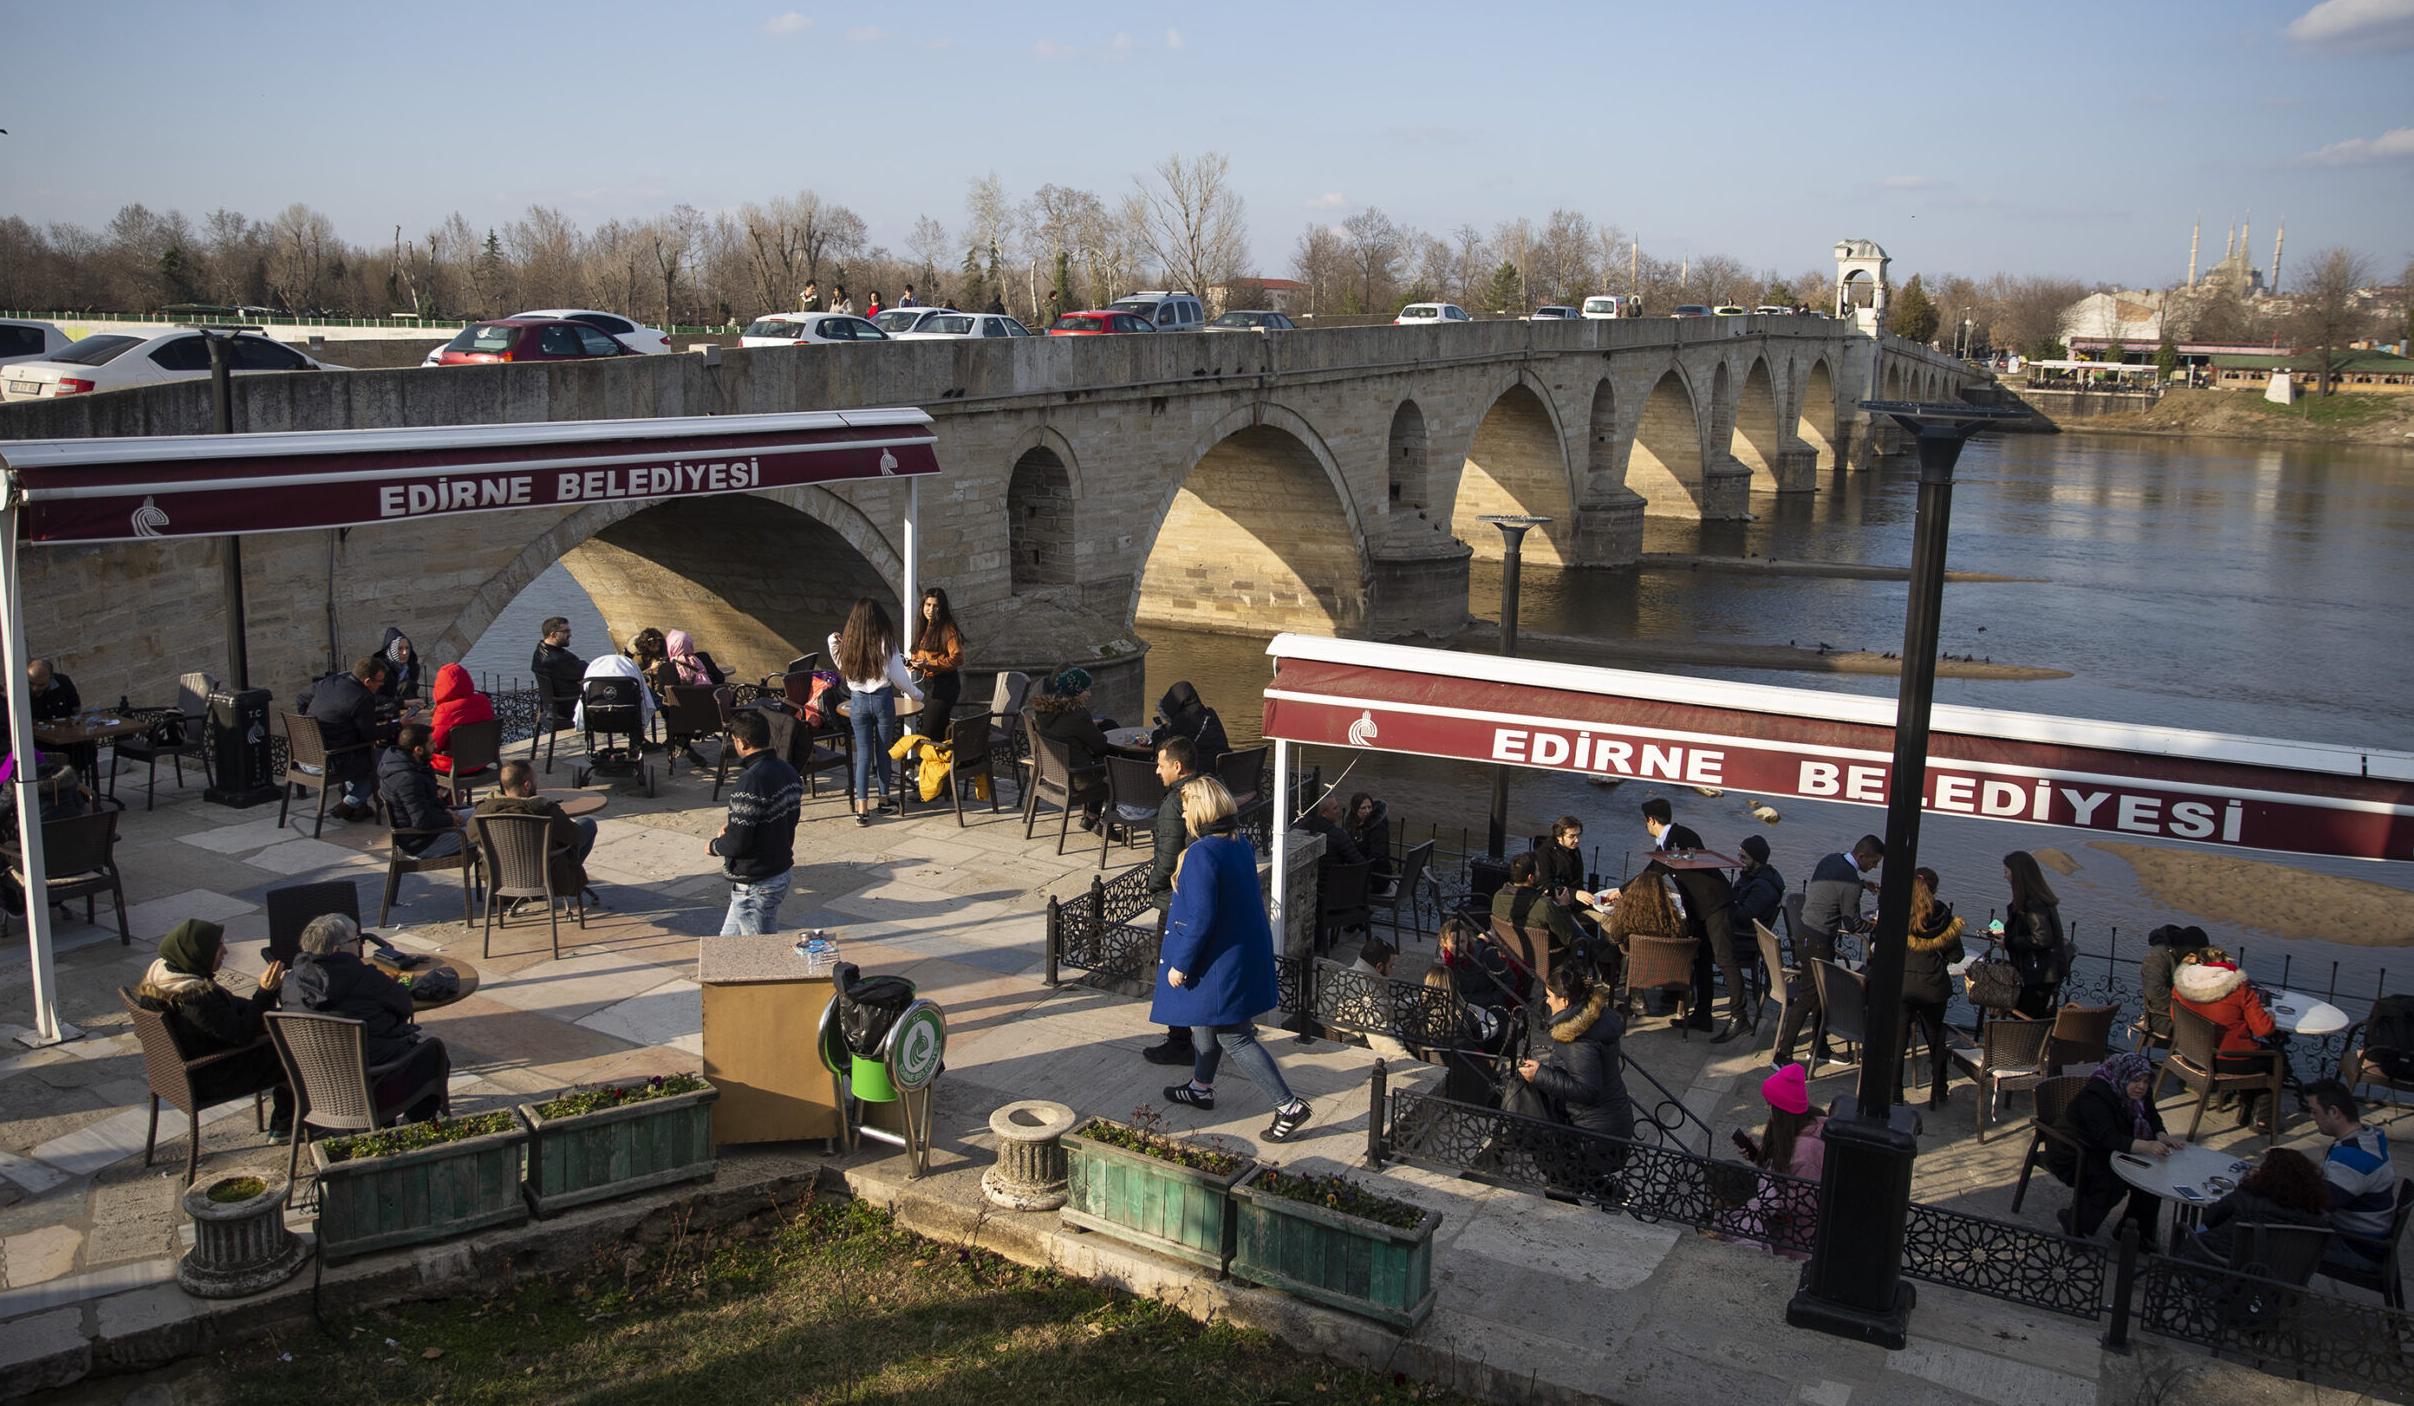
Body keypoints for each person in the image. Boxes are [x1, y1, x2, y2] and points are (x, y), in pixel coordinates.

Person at [1152, 776, 1314, 1142]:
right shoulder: (1237, 844)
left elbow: (1201, 918)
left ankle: (1287, 1105)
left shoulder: (1201, 853)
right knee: (1202, 1023)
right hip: (1234, 955)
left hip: (1214, 963)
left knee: (1235, 1038)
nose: (1185, 813)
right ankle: (1200, 1087)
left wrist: (1180, 965)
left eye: (1188, 806)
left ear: (1202, 809)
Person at [132, 918, 292, 1138]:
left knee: (276, 1032)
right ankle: (286, 1125)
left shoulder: (164, 977)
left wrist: (261, 1006)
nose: (225, 951)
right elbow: (242, 1034)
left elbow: (227, 1011)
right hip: (211, 1077)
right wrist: (265, 993)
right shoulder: (193, 997)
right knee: (293, 1051)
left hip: (178, 1072)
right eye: (218, 947)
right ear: (197, 953)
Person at [290, 913, 450, 1124]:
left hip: (318, 1088)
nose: (359, 946)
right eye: (356, 940)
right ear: (337, 950)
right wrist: (390, 985)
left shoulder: (290, 982)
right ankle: (413, 1125)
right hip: (373, 1088)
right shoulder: (364, 978)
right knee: (432, 1053)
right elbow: (404, 1006)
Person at [1617, 798, 1746, 1043]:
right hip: (1700, 909)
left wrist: (1621, 892)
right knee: (1703, 960)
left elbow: (1653, 870)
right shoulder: (1670, 842)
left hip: (1716, 906)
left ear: (1650, 820)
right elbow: (1653, 870)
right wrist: (1622, 891)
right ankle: (1703, 1015)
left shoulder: (1678, 838)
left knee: (1725, 960)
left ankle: (1739, 1016)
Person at [2045, 1051, 2183, 1244]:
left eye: (2145, 1081)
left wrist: (2162, 1135)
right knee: (2111, 1181)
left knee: (2151, 1176)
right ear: (2123, 1077)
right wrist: (2148, 1145)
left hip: (2108, 1147)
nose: (2141, 1086)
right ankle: (2076, 1222)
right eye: (2136, 1081)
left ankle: (2135, 1232)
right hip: (2074, 1151)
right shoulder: (2096, 1096)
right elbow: (2107, 1137)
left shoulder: (2141, 1092)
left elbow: (2151, 1116)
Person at [1773, 834, 1883, 1067]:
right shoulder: (1851, 882)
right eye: (1873, 862)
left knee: (1822, 995)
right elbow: (1852, 924)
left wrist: (1862, 884)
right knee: (1809, 996)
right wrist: (1875, 924)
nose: (1873, 868)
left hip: (1805, 934)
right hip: (1819, 942)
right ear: (1862, 855)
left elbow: (1836, 884)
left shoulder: (1831, 859)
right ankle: (1782, 1055)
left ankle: (1820, 1047)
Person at [1514, 964, 1635, 1144]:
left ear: (1564, 1001)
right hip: (1613, 1123)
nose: (1546, 1001)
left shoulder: (1577, 1038)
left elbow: (1587, 1091)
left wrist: (1540, 1075)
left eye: (1549, 996)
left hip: (1593, 1134)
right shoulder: (1596, 1018)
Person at [1140, 736, 1205, 1069]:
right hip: (1203, 892)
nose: (1157, 770)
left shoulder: (1174, 803)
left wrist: (1153, 885)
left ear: (1177, 766)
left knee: (1172, 969)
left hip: (1176, 898)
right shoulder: (1209, 790)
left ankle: (1179, 1041)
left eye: (1161, 764)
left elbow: (1168, 855)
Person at [829, 598, 923, 824]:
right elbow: (900, 677)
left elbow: (835, 651)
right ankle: (883, 800)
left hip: (858, 702)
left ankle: (861, 808)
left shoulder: (845, 645)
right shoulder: (886, 641)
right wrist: (916, 695)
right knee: (883, 750)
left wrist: (834, 639)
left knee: (862, 754)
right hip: (882, 700)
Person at [708, 709, 801, 935]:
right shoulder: (788, 771)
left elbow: (738, 843)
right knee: (726, 948)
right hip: (777, 870)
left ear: (742, 742)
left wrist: (715, 845)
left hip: (757, 883)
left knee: (761, 956)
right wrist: (740, 825)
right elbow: (785, 820)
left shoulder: (750, 782)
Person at [2172, 947, 2285, 1133]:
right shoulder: (2239, 990)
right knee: (2277, 1058)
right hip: (2228, 1059)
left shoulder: (2181, 986)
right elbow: (2263, 1029)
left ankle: (2247, 1109)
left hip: (2191, 1053)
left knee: (2262, 1059)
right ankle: (2263, 1118)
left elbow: (2176, 1018)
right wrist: (2270, 1016)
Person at [1727, 1063, 1827, 1257]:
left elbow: (1802, 1203)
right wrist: (1759, 1156)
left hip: (1796, 1240)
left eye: (1770, 1104)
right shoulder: (1806, 1127)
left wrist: (1759, 1200)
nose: (1768, 1108)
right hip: (1788, 1230)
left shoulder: (1806, 1153)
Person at [472, 760, 597, 911]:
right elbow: (574, 836)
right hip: (549, 876)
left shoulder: (484, 811)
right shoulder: (543, 810)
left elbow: (471, 835)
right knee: (588, 825)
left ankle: (521, 888)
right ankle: (553, 882)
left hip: (502, 880)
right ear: (527, 785)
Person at [2177, 1147, 2333, 1266]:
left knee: (2195, 1230)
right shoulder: (2316, 1216)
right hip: (2275, 1280)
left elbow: (2210, 1218)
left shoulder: (2246, 1198)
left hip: (2221, 1267)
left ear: (2268, 1175)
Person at [2304, 1080, 2397, 1271]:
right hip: (2369, 1236)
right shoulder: (2369, 1137)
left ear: (2334, 1112)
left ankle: (2272, 1294)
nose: (2312, 1117)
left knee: (2269, 1235)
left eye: (2315, 1112)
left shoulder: (2353, 1158)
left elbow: (2315, 1207)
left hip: (2357, 1247)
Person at [1896, 867, 1964, 1110]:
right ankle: (1939, 1089)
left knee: (1898, 1040)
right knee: (1936, 1039)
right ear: (1935, 889)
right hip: (1933, 987)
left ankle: (1894, 1092)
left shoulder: (1899, 911)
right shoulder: (1944, 916)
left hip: (1902, 985)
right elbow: (1957, 956)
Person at [306, 655, 391, 821]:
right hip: (328, 762)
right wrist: (398, 724)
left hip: (306, 756)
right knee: (386, 760)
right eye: (379, 682)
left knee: (361, 758)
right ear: (367, 681)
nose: (381, 686)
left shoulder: (330, 684)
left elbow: (303, 699)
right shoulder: (362, 697)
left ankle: (359, 807)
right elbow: (371, 735)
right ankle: (349, 804)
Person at [1491, 851, 1590, 985]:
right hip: (1545, 959)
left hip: (1512, 951)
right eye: (1538, 871)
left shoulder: (1498, 897)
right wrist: (1563, 907)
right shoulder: (1543, 905)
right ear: (1531, 877)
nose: (1541, 873)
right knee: (1585, 941)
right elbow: (1567, 936)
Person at [1029, 667, 1111, 829]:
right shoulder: (1078, 715)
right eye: (1086, 689)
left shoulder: (1043, 711)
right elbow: (1100, 745)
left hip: (1051, 775)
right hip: (1077, 779)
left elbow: (1065, 731)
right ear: (1076, 691)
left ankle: (1091, 817)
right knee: (1114, 771)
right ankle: (1105, 822)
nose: (1089, 694)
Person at [378, 723, 468, 859]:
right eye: (431, 744)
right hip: (424, 843)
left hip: (432, 828)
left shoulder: (415, 765)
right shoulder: (408, 779)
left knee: (482, 814)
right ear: (418, 750)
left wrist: (445, 810)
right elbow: (421, 821)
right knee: (491, 831)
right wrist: (449, 820)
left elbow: (429, 800)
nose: (435, 747)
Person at [2001, 849, 2069, 1019]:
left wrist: (2009, 942)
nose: (2005, 876)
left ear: (2018, 874)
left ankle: (2019, 1046)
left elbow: (2041, 938)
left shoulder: (2032, 904)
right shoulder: (2039, 900)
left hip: (2037, 976)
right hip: (2041, 975)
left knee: (2026, 1019)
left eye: (2007, 872)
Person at [905, 588, 965, 740]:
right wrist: (913, 663)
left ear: (942, 608)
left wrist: (930, 664)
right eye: (928, 605)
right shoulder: (924, 627)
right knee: (936, 730)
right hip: (931, 684)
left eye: (935, 606)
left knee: (929, 732)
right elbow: (919, 653)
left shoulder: (947, 629)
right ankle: (941, 762)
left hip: (946, 683)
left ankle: (931, 761)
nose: (931, 610)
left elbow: (958, 659)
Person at [426, 663, 495, 785]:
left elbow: (434, 744)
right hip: (482, 760)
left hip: (454, 766)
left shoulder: (445, 710)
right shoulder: (484, 701)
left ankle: (441, 797)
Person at [2140, 924, 2211, 1041]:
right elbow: (2155, 991)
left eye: (2198, 958)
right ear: (2182, 951)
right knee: (2207, 1034)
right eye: (2191, 956)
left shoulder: (2186, 960)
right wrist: (2185, 1009)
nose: (2194, 961)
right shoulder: (2157, 956)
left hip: (2184, 1014)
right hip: (2162, 1017)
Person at [575, 649, 657, 737]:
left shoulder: (592, 680)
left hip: (597, 720)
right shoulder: (631, 681)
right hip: (627, 720)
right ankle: (637, 740)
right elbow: (645, 699)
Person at [1149, 680, 1230, 761]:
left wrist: (1157, 732)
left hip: (1202, 768)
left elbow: (1162, 749)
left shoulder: (1184, 719)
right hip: (1225, 765)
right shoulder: (1209, 713)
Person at [530, 616, 585, 726]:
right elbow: (586, 672)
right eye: (566, 631)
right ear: (553, 634)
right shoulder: (557, 659)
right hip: (567, 709)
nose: (570, 634)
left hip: (551, 708)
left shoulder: (539, 652)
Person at [1730, 834, 1784, 935]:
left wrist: (1724, 898)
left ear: (1757, 861)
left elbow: (1744, 919)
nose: (1740, 861)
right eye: (1739, 856)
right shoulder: (1749, 876)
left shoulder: (1763, 887)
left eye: (1744, 857)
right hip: (1735, 929)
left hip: (1743, 937)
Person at [1299, 792, 1368, 869]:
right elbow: (1360, 863)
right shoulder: (1338, 835)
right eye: (1335, 808)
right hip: (1335, 879)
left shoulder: (1301, 830)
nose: (1338, 811)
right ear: (1324, 813)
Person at [1540, 816, 1595, 907]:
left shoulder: (1575, 851)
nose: (1577, 840)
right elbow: (1545, 885)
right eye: (1572, 836)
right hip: (1553, 905)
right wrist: (1575, 894)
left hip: (1573, 903)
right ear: (1559, 836)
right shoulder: (1545, 853)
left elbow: (1578, 882)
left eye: (1578, 835)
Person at [1348, 792, 1394, 888]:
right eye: (1363, 808)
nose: (1367, 811)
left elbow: (1377, 855)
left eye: (1369, 807)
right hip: (1361, 871)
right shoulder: (1353, 825)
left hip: (1376, 877)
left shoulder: (1378, 828)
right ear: (1355, 810)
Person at [661, 629, 726, 690]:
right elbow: (720, 678)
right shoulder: (703, 657)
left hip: (682, 701)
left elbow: (662, 691)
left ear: (669, 647)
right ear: (690, 643)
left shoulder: (666, 668)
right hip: (710, 700)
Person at [375, 628, 424, 704]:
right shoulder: (380, 668)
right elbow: (375, 698)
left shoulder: (412, 667)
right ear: (390, 650)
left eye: (407, 648)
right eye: (400, 649)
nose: (404, 653)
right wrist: (404, 703)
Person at [627, 628, 672, 696]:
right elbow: (633, 677)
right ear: (646, 644)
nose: (658, 645)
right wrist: (651, 670)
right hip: (648, 692)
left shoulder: (664, 651)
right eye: (654, 643)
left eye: (659, 642)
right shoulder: (639, 658)